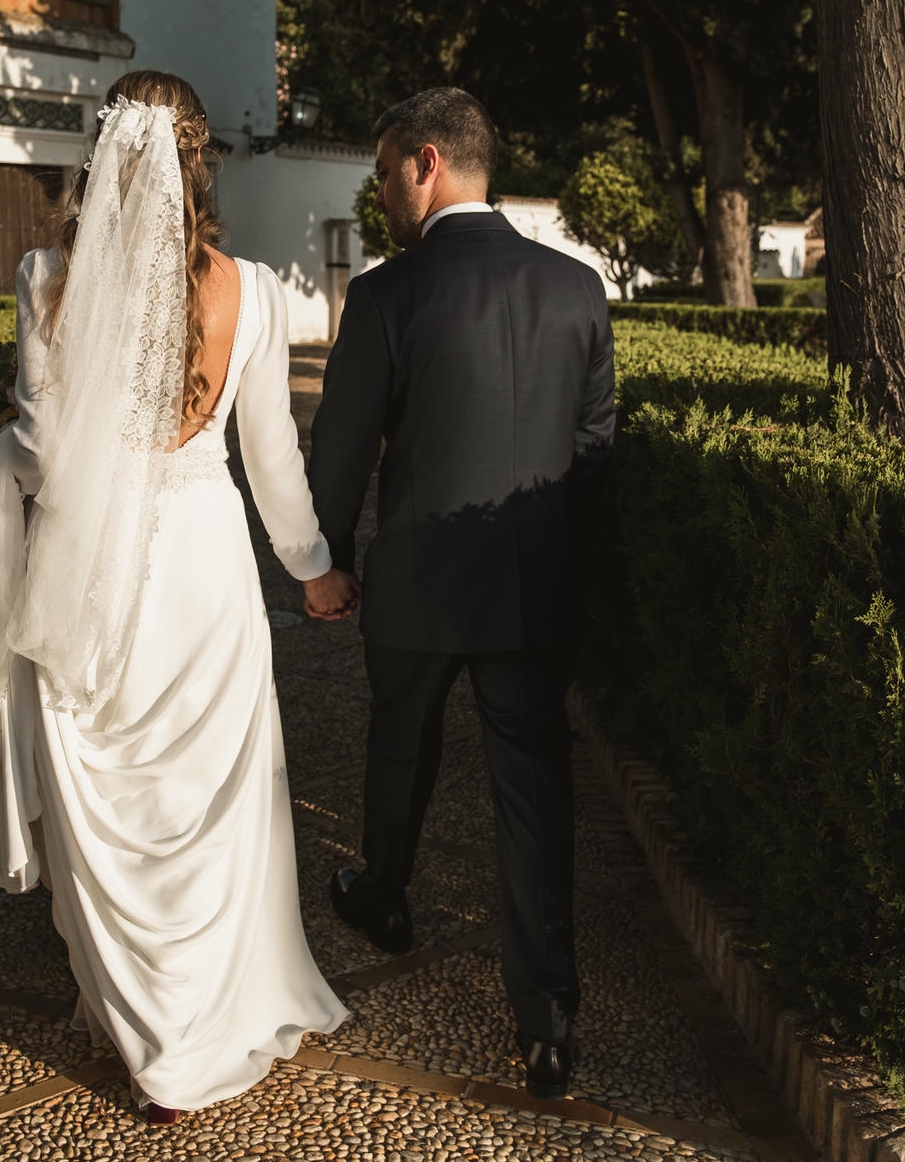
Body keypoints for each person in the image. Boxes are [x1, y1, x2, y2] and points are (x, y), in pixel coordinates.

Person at [0, 70, 357, 1125]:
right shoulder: (253, 290)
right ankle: (207, 1018)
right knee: (211, 795)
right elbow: (270, 458)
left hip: (90, 569)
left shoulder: (44, 278)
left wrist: (5, 465)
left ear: (102, 155)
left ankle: (146, 1037)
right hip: (204, 565)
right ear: (199, 160)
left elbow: (41, 449)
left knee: (107, 797)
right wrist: (311, 568)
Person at [307, 87, 615, 1101]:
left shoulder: (390, 295)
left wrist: (322, 558)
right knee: (533, 795)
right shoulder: (576, 289)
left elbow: (343, 446)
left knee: (399, 746)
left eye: (390, 168)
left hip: (415, 583)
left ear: (425, 162)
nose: (385, 189)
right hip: (531, 590)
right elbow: (588, 451)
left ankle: (383, 898)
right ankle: (548, 1025)